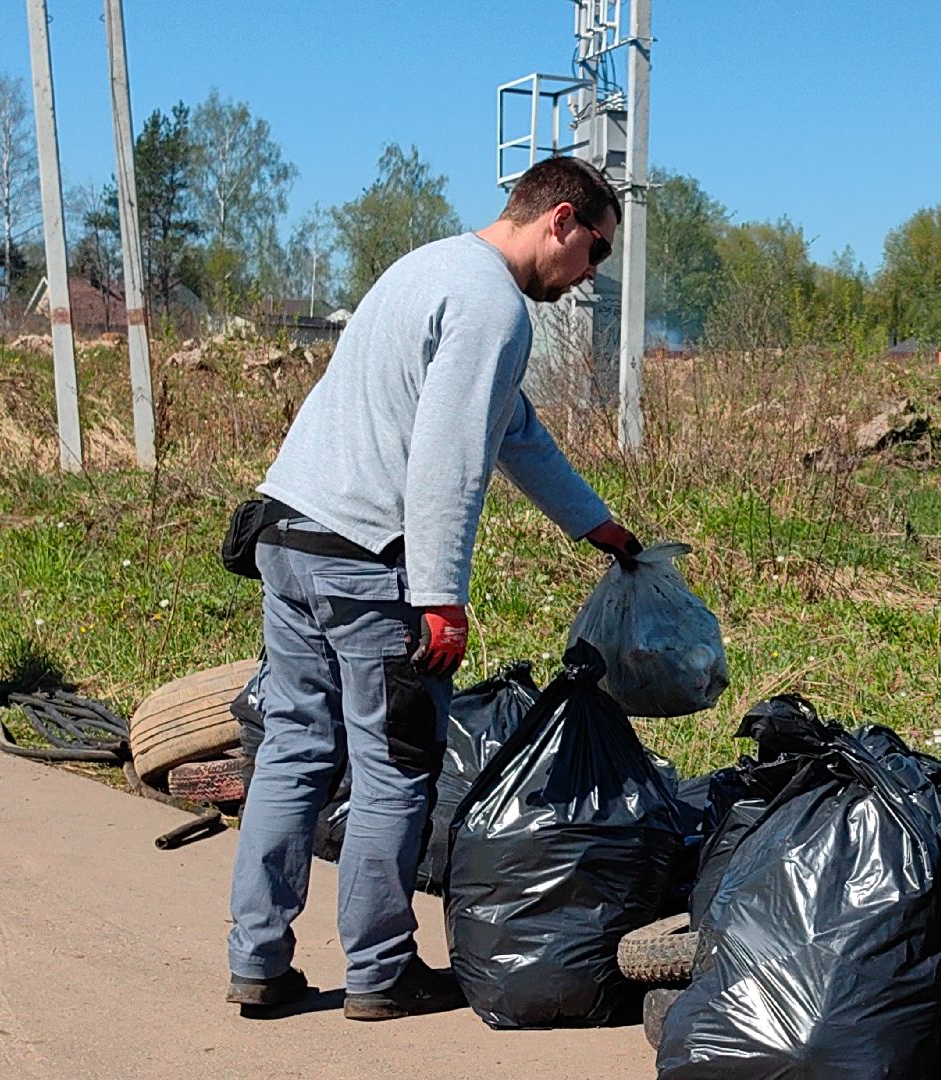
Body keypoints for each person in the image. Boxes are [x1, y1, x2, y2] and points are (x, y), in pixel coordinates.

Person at [225, 155, 642, 1021]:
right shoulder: (493, 306)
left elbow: (511, 430)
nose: (591, 273)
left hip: (289, 535)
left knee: (295, 749)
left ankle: (256, 962)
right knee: (395, 767)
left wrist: (593, 523)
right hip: (365, 559)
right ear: (561, 221)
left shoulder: (430, 266)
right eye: (597, 251)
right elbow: (448, 456)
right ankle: (380, 973)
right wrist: (439, 597)